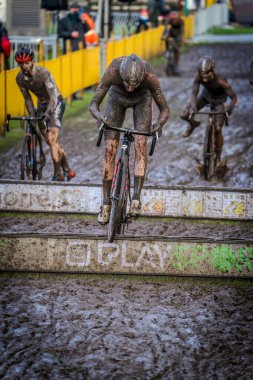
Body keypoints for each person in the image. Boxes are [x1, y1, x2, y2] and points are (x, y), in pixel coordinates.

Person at [89, 53, 170, 224]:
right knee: (109, 149)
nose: (131, 88)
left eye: (135, 84)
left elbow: (165, 110)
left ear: (143, 78)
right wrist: (99, 118)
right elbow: (93, 104)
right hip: (116, 97)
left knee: (141, 144)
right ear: (121, 75)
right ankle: (105, 204)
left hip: (143, 99)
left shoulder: (150, 77)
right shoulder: (113, 70)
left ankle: (136, 199)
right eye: (127, 83)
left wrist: (158, 125)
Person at [15, 46, 75, 182]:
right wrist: (31, 116)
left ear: (33, 61)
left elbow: (53, 97)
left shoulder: (43, 73)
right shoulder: (19, 79)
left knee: (52, 138)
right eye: (20, 64)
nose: (24, 66)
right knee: (51, 142)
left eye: (27, 63)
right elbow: (28, 99)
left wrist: (48, 113)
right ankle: (68, 169)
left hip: (55, 103)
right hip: (41, 105)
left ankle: (58, 174)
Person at [181, 55, 238, 166]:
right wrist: (192, 106)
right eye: (203, 77)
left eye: (208, 76)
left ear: (213, 71)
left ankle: (218, 157)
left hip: (219, 100)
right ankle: (193, 125)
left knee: (217, 128)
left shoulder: (221, 81)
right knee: (185, 114)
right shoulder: (198, 77)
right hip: (206, 97)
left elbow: (234, 98)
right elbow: (194, 93)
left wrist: (229, 108)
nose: (205, 79)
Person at [161, 11, 184, 75]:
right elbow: (165, 29)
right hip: (170, 34)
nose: (173, 21)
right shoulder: (168, 20)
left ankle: (176, 64)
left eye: (175, 19)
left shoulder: (181, 21)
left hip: (177, 35)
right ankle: (167, 53)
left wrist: (180, 38)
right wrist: (163, 36)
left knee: (177, 50)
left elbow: (182, 32)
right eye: (172, 19)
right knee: (167, 42)